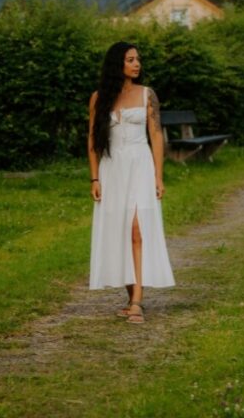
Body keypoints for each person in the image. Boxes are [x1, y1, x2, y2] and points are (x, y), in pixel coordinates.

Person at [88, 41, 175, 323]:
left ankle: (137, 301)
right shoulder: (99, 98)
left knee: (138, 229)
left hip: (140, 163)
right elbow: (92, 141)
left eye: (138, 59)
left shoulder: (148, 95)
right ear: (118, 64)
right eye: (130, 60)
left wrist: (158, 176)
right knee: (120, 231)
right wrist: (95, 178)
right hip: (112, 168)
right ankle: (131, 295)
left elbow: (156, 136)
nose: (137, 64)